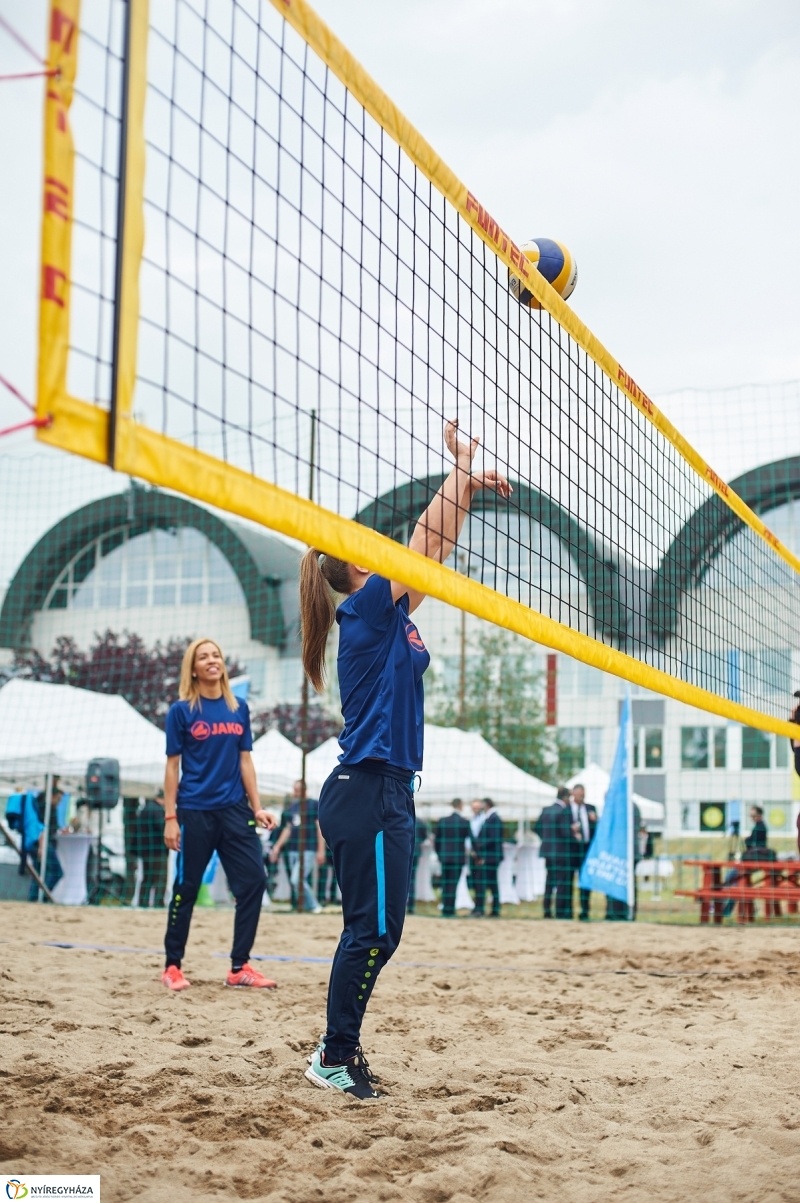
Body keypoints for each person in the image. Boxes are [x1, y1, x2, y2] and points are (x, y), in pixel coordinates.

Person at [301, 419, 510, 1098]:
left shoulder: (392, 613)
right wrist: (458, 469)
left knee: (381, 932)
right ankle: (334, 1053)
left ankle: (338, 1049)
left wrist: (468, 489)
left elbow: (434, 550)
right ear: (357, 566)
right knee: (372, 930)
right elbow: (422, 539)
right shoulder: (362, 611)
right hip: (366, 788)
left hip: (388, 788)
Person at [161, 637, 278, 991]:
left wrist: (257, 807)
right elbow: (172, 767)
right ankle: (172, 967)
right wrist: (170, 817)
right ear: (193, 669)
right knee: (187, 888)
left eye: (216, 655)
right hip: (195, 811)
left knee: (254, 882)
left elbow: (246, 761)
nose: (212, 660)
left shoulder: (238, 707)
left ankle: (239, 967)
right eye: (204, 657)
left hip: (234, 811)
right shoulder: (181, 711)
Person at [269, 780, 324, 913]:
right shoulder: (292, 807)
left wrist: (321, 850)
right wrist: (277, 847)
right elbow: (288, 829)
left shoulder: (313, 804)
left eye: (297, 790)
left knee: (297, 879)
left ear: (305, 790)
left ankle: (314, 905)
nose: (295, 793)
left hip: (309, 847)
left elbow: (319, 828)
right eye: (294, 790)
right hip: (293, 848)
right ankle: (303, 906)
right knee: (297, 880)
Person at [534, 787, 570, 918]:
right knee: (561, 882)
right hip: (560, 852)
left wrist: (546, 840)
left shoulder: (546, 810)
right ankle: (559, 911)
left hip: (547, 851)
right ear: (565, 798)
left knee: (549, 881)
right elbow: (565, 832)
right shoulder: (564, 811)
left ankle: (547, 910)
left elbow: (536, 828)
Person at [26, 779, 64, 901]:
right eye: (58, 799)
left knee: (38, 873)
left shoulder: (50, 807)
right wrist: (42, 847)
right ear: (52, 796)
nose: (59, 802)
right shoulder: (43, 805)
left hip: (40, 843)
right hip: (41, 843)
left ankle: (34, 899)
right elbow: (41, 828)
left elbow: (52, 828)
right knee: (56, 872)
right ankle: (43, 897)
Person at [435, 799, 471, 918]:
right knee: (453, 884)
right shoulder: (464, 822)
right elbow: (471, 841)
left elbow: (437, 840)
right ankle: (450, 910)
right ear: (460, 805)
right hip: (458, 857)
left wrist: (440, 854)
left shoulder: (443, 821)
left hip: (445, 857)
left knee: (445, 883)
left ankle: (445, 909)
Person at [472, 798, 504, 918]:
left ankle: (486, 909)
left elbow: (493, 838)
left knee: (488, 883)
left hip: (490, 857)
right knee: (491, 883)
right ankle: (491, 909)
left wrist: (479, 845)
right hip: (489, 856)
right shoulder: (490, 818)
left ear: (486, 805)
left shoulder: (494, 818)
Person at [137, 788, 169, 907]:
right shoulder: (157, 810)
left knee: (147, 878)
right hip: (157, 850)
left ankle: (143, 902)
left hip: (146, 850)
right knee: (160, 878)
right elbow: (162, 827)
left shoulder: (145, 808)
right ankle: (159, 902)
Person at [571, 783, 597, 921]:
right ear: (573, 794)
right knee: (568, 882)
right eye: (580, 794)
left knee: (586, 881)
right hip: (571, 850)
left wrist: (595, 820)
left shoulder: (591, 809)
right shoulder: (567, 810)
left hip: (587, 849)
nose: (582, 797)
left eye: (583, 795)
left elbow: (597, 829)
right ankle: (567, 912)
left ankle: (584, 910)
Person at [406, 816, 429, 914]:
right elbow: (424, 837)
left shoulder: (403, 818)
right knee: (412, 880)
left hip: (403, 851)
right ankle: (411, 907)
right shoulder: (420, 821)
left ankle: (402, 906)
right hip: (415, 851)